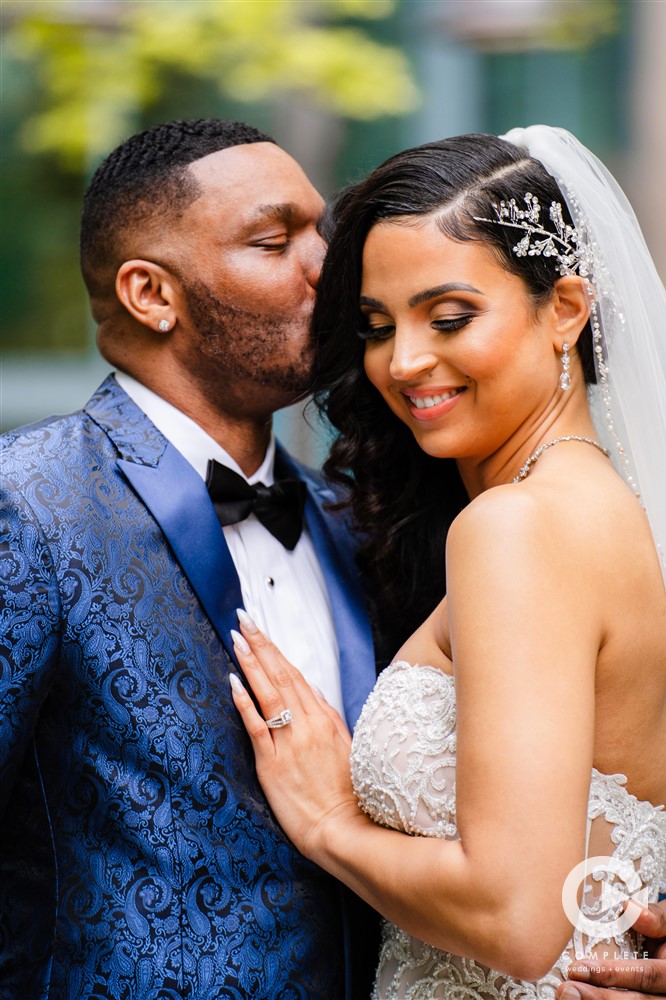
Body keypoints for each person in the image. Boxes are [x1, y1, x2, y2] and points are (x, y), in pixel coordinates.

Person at [230, 126, 666, 998]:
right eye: (377, 326)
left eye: (451, 317)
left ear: (567, 310)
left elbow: (515, 916)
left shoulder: (517, 528)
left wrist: (327, 823)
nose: (404, 362)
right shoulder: (606, 508)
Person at [0, 119, 379, 998]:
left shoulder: (356, 519)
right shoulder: (25, 503)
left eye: (321, 233)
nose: (327, 266)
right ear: (150, 294)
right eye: (275, 240)